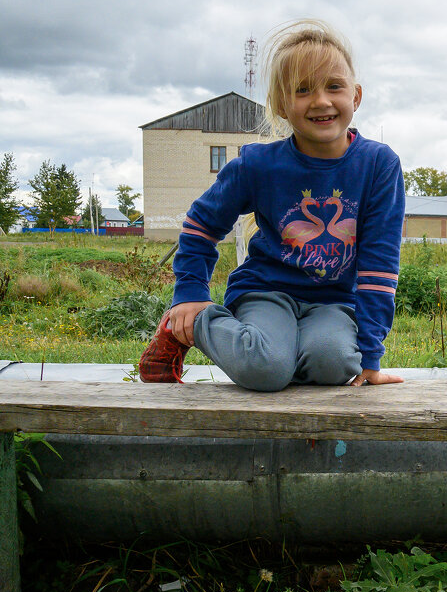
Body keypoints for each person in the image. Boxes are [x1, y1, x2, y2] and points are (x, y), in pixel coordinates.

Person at [138, 19, 406, 391]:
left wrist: (371, 357)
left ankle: (285, 356)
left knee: (334, 364)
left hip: (333, 301)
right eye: (302, 90)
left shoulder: (378, 165)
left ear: (356, 96)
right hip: (266, 291)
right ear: (281, 105)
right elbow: (201, 224)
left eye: (334, 86)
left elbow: (379, 265)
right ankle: (191, 328)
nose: (321, 101)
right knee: (265, 369)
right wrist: (190, 293)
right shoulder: (258, 165)